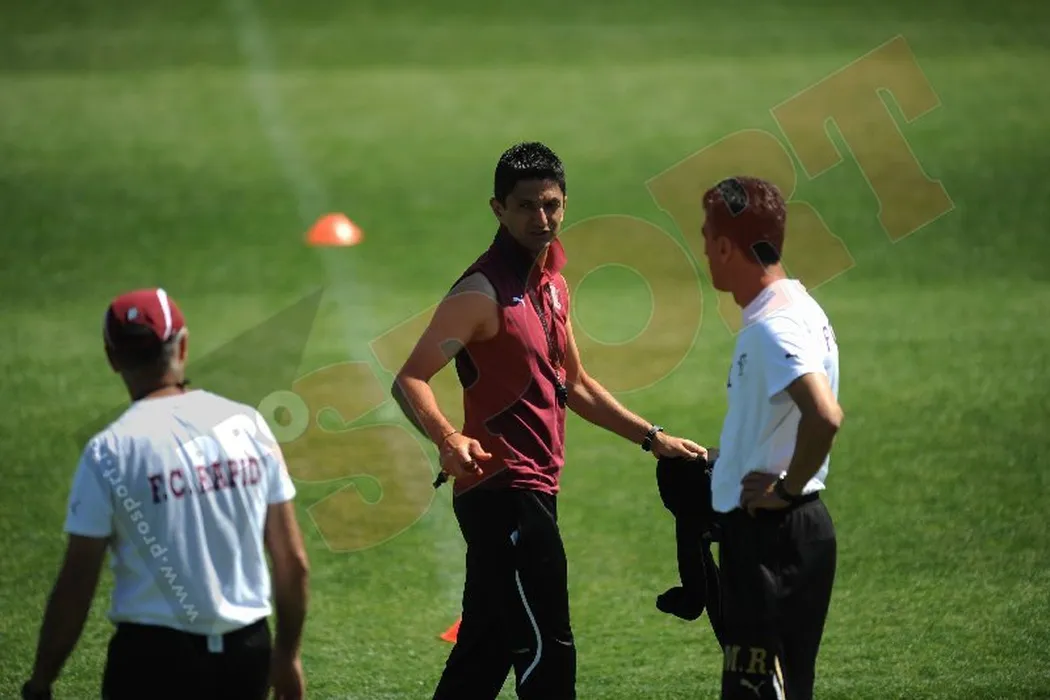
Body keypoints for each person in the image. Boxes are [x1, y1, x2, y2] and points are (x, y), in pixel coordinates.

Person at [392, 141, 707, 700]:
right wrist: (446, 437)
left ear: (564, 203)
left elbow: (576, 385)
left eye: (551, 205)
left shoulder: (553, 287)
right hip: (503, 493)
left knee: (484, 653)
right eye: (525, 206)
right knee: (548, 651)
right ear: (498, 209)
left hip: (535, 490)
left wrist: (652, 438)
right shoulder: (480, 293)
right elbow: (410, 377)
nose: (541, 218)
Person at [21, 288, 310, 700]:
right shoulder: (248, 426)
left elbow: (76, 583)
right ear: (183, 346)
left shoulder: (110, 451)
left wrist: (41, 680)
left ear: (112, 358)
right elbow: (293, 562)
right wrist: (287, 655)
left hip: (152, 662)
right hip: (245, 657)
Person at [699, 176, 844, 700]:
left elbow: (824, 416)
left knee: (759, 691)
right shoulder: (799, 307)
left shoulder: (772, 327)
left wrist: (784, 489)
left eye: (706, 237)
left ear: (724, 246)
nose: (704, 251)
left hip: (772, 539)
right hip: (783, 533)